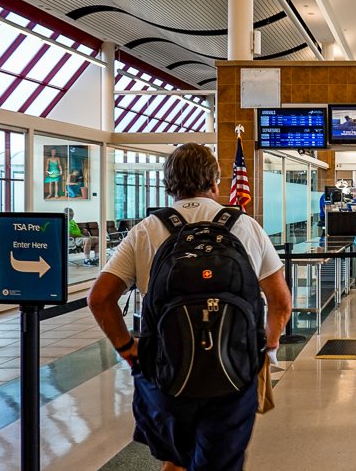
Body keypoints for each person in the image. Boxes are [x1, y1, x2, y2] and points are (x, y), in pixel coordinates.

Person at [87, 143, 291, 470]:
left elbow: (99, 298)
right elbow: (280, 302)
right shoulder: (246, 226)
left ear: (169, 183)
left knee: (175, 459)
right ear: (215, 182)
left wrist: (128, 349)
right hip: (233, 370)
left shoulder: (146, 230)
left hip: (166, 370)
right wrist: (265, 349)